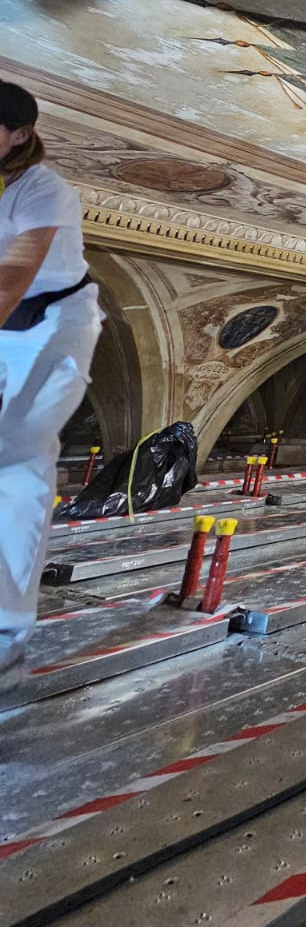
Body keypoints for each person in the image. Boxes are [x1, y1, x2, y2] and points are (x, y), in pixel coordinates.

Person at [0, 82, 103, 690]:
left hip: (55, 326)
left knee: (16, 453)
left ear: (18, 136)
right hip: (9, 328)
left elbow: (12, 278)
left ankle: (7, 632)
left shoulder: (43, 189)